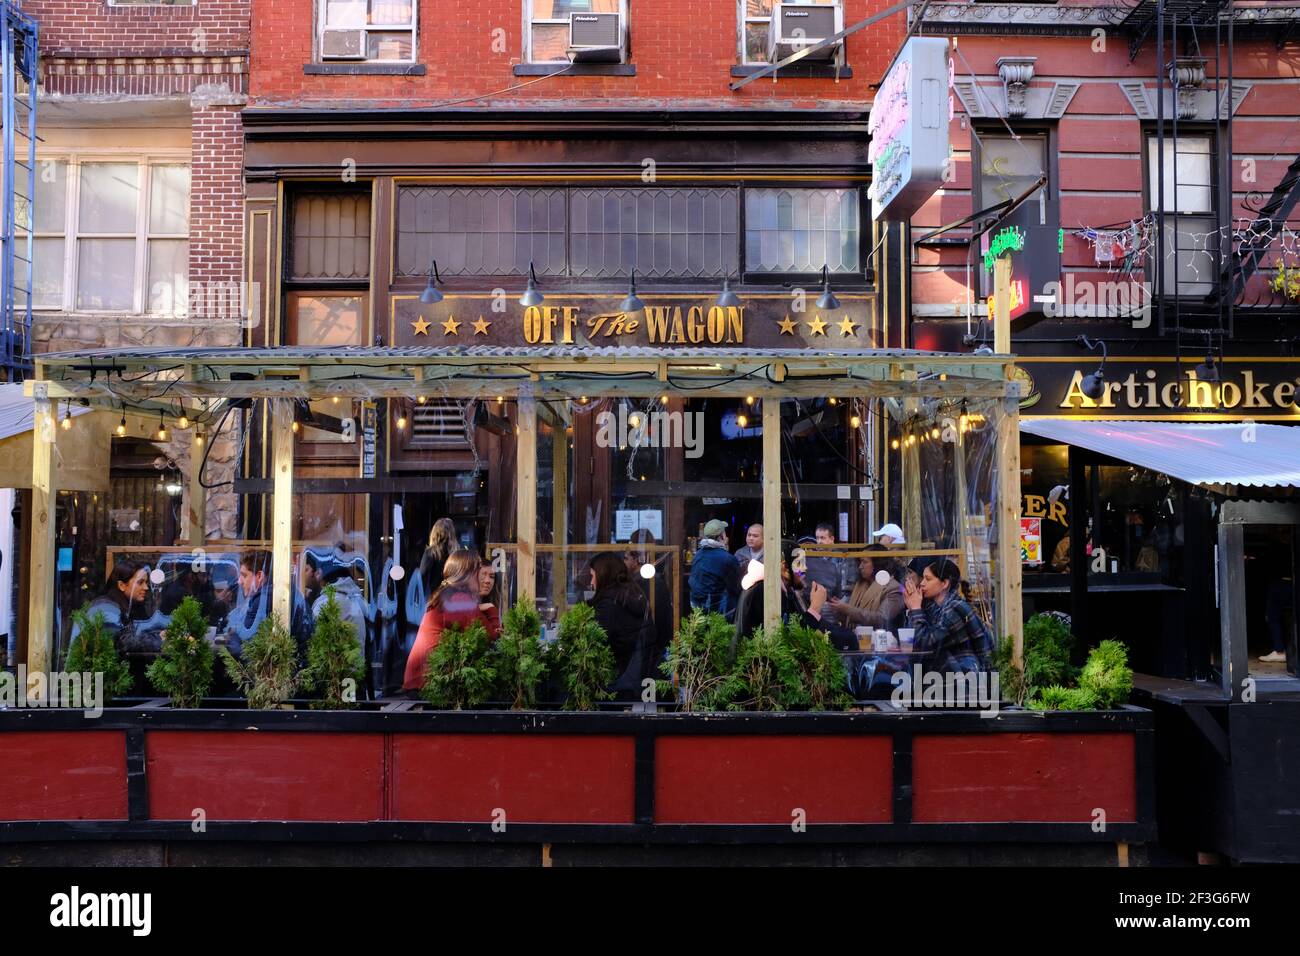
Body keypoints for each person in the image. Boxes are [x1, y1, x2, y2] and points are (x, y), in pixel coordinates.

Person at [403, 549, 500, 693]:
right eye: (477, 570)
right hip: (429, 684)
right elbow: (490, 639)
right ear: (467, 573)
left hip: (423, 681)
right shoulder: (459, 599)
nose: (481, 577)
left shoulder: (448, 594)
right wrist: (491, 609)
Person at [901, 558, 995, 675]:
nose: (922, 583)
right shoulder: (935, 607)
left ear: (945, 583)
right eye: (923, 578)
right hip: (949, 677)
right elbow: (913, 640)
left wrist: (915, 609)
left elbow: (924, 645)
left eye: (928, 579)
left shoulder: (955, 608)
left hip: (969, 682)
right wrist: (912, 609)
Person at [587, 553, 657, 700]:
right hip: (639, 676)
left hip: (619, 682)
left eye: (593, 576)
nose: (591, 582)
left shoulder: (609, 604)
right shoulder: (633, 593)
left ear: (603, 576)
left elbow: (593, 643)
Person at [624, 528, 673, 663]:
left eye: (626, 557)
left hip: (647, 650)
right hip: (651, 648)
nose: (624, 562)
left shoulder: (646, 581)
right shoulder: (651, 579)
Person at [73, 561, 151, 645]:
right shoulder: (107, 608)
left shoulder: (132, 607)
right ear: (122, 585)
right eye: (140, 582)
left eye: (146, 583)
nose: (146, 587)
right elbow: (119, 644)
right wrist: (156, 640)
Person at [829, 545, 904, 631]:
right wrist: (838, 609)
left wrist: (848, 610)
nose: (860, 566)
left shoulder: (893, 588)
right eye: (860, 562)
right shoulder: (860, 585)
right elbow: (849, 618)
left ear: (877, 563)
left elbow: (882, 619)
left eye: (864, 562)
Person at [688, 519, 740, 619]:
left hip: (697, 610)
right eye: (724, 533)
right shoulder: (727, 559)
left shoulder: (698, 555)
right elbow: (736, 586)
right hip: (718, 612)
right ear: (721, 536)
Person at [802, 522, 851, 598]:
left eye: (822, 538)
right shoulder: (815, 558)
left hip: (839, 601)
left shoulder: (843, 557)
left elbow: (849, 586)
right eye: (817, 538)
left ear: (832, 539)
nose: (819, 542)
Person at [419, 517, 458, 598]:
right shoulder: (457, 553)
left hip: (434, 596)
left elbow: (422, 574)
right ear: (452, 533)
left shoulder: (430, 552)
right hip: (453, 596)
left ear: (435, 533)